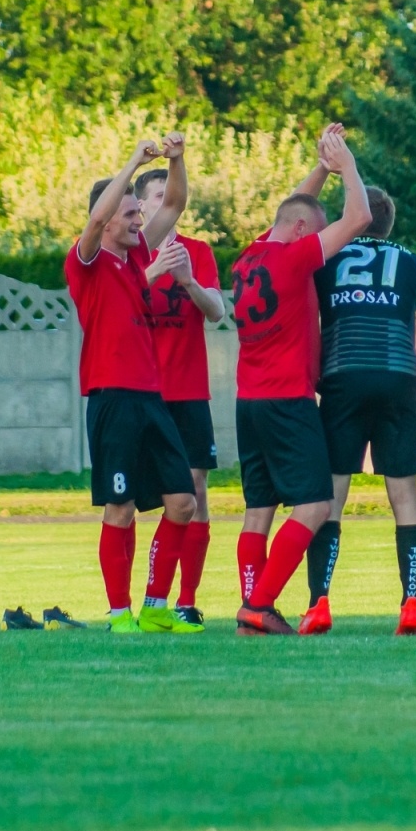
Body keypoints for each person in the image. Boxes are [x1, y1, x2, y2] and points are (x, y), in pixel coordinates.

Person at [231, 126, 372, 636]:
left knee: (258, 511)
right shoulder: (294, 259)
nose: (320, 243)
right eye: (313, 233)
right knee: (314, 505)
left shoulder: (248, 258)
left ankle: (252, 609)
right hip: (287, 400)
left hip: (249, 401)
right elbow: (359, 218)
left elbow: (294, 210)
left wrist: (321, 167)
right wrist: (348, 166)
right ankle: (259, 605)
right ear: (298, 233)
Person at [301, 184, 416, 637]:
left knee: (330, 497)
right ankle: (411, 604)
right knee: (404, 495)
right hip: (398, 378)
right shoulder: (413, 263)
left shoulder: (324, 259)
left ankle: (319, 602)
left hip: (343, 376)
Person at [64, 136, 199, 635]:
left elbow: (178, 202)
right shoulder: (87, 261)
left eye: (139, 213)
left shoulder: (140, 254)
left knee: (183, 502)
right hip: (111, 397)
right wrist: (132, 164)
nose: (139, 220)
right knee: (119, 508)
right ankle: (120, 615)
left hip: (150, 397)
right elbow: (97, 220)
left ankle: (156, 607)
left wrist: (176, 157)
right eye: (130, 213)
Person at [133, 167, 226, 633]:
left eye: (169, 193)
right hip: (142, 392)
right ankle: (129, 605)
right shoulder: (127, 255)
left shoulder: (199, 252)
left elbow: (217, 310)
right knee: (128, 499)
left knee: (195, 490)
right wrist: (153, 271)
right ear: (142, 206)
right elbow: (116, 307)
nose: (165, 200)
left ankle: (184, 601)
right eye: (156, 195)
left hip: (188, 392)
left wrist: (188, 280)